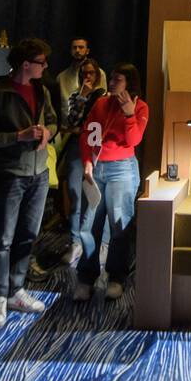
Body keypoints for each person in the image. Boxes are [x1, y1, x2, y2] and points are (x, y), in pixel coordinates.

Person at [0, 39, 57, 328]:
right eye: (41, 62)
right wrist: (18, 137)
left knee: (28, 234)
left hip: (38, 174)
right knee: (2, 238)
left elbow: (53, 121)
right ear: (26, 64)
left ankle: (16, 290)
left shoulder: (42, 90)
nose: (46, 66)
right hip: (10, 174)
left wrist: (48, 133)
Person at [74, 63, 148, 303]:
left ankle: (116, 277)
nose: (113, 82)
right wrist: (87, 161)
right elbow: (89, 132)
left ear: (130, 83)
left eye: (118, 79)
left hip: (122, 170)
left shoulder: (140, 107)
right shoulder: (101, 103)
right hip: (97, 167)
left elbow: (133, 139)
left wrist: (128, 113)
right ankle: (86, 277)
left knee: (119, 224)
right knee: (89, 225)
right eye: (112, 78)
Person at [55, 57, 108, 270]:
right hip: (77, 148)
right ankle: (76, 242)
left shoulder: (104, 96)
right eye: (84, 73)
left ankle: (100, 244)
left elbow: (98, 125)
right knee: (76, 197)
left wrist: (81, 128)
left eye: (91, 73)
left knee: (96, 198)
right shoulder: (77, 95)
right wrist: (82, 97)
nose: (87, 77)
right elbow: (70, 123)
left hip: (98, 150)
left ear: (97, 75)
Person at [57, 36, 106, 109]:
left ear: (87, 51)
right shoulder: (61, 77)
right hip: (69, 117)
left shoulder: (99, 73)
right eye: (74, 47)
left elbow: (103, 102)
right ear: (70, 51)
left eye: (81, 47)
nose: (77, 50)